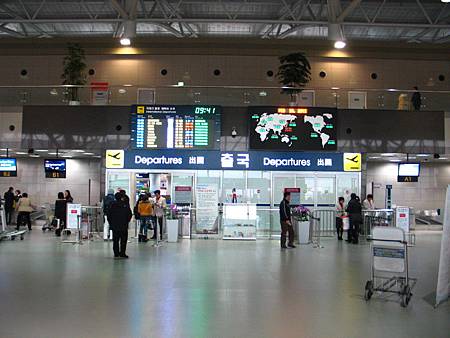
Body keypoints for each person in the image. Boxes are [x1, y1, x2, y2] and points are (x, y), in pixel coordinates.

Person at [107, 192, 132, 259]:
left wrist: (111, 223)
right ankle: (122, 253)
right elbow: (129, 214)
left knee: (115, 240)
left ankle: (116, 253)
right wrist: (127, 221)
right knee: (123, 240)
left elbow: (109, 215)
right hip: (123, 225)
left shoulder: (112, 205)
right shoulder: (125, 205)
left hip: (115, 226)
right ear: (122, 197)